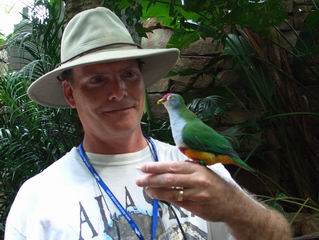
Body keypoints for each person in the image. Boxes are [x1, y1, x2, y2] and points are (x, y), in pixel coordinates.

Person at [5, 7, 292, 240]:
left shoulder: (197, 169)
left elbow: (278, 234)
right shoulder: (39, 198)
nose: (119, 91)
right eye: (97, 80)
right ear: (70, 94)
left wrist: (235, 207)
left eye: (129, 74)